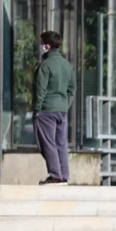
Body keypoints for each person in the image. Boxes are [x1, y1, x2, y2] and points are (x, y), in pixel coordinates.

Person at [33, 31, 76, 186]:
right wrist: (66, 104)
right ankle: (63, 175)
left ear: (47, 46)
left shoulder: (46, 65)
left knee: (48, 143)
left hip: (46, 110)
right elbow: (72, 89)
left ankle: (55, 175)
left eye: (41, 43)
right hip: (62, 111)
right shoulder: (67, 65)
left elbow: (40, 90)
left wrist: (37, 109)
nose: (39, 46)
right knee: (61, 143)